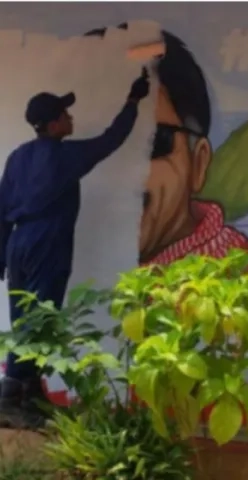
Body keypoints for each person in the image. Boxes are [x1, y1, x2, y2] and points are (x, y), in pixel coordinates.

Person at [0, 69, 151, 428]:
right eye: (65, 115)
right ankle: (9, 398)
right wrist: (133, 101)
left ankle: (30, 393)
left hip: (18, 242)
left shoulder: (18, 157)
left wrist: (1, 254)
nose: (71, 118)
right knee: (41, 317)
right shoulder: (64, 157)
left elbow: (2, 207)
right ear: (52, 125)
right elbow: (111, 139)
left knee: (24, 316)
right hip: (47, 240)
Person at [85, 25, 248, 265]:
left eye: (151, 142)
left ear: (198, 163)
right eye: (87, 141)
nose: (119, 166)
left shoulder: (247, 286)